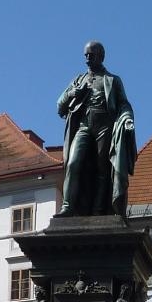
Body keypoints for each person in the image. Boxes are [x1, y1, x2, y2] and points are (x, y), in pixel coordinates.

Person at [55, 41, 137, 217]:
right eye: (85, 55)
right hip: (84, 125)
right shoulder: (78, 80)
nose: (87, 59)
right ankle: (68, 206)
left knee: (103, 168)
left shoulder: (112, 80)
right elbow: (59, 106)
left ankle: (99, 210)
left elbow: (124, 104)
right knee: (73, 163)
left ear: (101, 56)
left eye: (91, 55)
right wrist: (71, 94)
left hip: (104, 126)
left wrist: (127, 119)